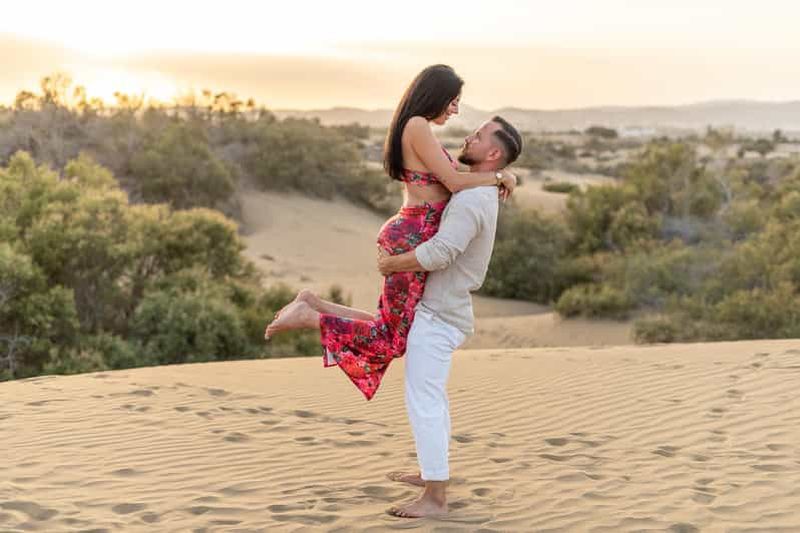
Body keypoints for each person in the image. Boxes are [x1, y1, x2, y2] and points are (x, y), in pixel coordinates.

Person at [264, 65, 516, 400]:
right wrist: (498, 178)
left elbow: (455, 178)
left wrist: (503, 177)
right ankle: (310, 317)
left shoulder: (417, 128)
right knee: (391, 340)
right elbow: (455, 182)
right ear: (437, 94)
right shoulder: (417, 126)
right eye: (453, 101)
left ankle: (313, 304)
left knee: (390, 329)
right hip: (413, 234)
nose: (455, 110)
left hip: (413, 230)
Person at [379, 116, 523, 518]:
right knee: (431, 399)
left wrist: (394, 265)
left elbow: (442, 251)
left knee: (423, 400)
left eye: (478, 136)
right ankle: (432, 475)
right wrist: (504, 176)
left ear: (492, 153)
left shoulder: (473, 199)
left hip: (440, 315)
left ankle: (436, 498)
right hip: (444, 311)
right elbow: (455, 178)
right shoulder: (480, 189)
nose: (468, 136)